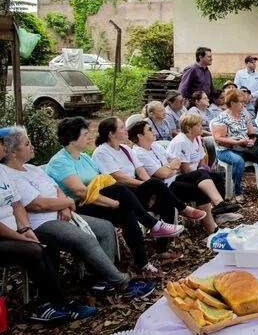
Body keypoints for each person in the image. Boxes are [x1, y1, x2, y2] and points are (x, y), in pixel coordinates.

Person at [1, 127, 155, 301]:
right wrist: (67, 203)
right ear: (13, 152)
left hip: (63, 213)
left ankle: (102, 279)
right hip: (42, 223)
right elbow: (37, 204)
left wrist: (64, 205)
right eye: (27, 144)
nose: (32, 146)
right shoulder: (10, 175)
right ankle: (122, 283)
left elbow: (56, 189)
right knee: (85, 239)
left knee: (105, 227)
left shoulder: (31, 168)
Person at [47, 117, 182, 274]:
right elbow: (80, 192)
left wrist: (117, 202)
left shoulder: (84, 158)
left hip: (97, 201)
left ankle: (143, 262)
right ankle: (153, 225)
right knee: (120, 192)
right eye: (85, 134)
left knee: (128, 212)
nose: (89, 137)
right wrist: (112, 203)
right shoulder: (60, 161)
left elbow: (103, 181)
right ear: (71, 139)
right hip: (77, 208)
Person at [0, 127, 100, 322]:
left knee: (47, 241)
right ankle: (49, 305)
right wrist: (20, 236)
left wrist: (25, 228)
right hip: (5, 236)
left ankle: (56, 301)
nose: (3, 147)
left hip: (18, 230)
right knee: (35, 250)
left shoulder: (2, 173)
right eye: (1, 143)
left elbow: (17, 203)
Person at [92, 117, 207, 257]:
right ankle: (183, 209)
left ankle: (162, 250)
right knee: (155, 183)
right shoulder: (102, 152)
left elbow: (140, 171)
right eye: (122, 127)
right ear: (111, 133)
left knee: (166, 205)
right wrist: (148, 185)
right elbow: (118, 178)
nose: (125, 130)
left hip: (136, 188)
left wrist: (152, 190)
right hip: (121, 193)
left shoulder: (125, 149)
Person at [130, 118, 238, 234]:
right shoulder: (139, 153)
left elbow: (176, 160)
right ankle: (212, 226)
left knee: (206, 174)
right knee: (200, 188)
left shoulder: (155, 146)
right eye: (150, 130)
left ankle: (219, 206)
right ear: (140, 136)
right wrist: (170, 167)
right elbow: (163, 174)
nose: (154, 131)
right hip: (164, 188)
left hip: (173, 178)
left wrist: (169, 167)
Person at [210, 89, 258, 199]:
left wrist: (252, 140)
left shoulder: (243, 115)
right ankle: (238, 191)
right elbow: (218, 139)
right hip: (226, 149)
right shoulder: (222, 118)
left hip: (244, 146)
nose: (243, 104)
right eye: (240, 102)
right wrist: (237, 142)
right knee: (238, 160)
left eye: (243, 102)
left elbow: (251, 132)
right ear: (232, 103)